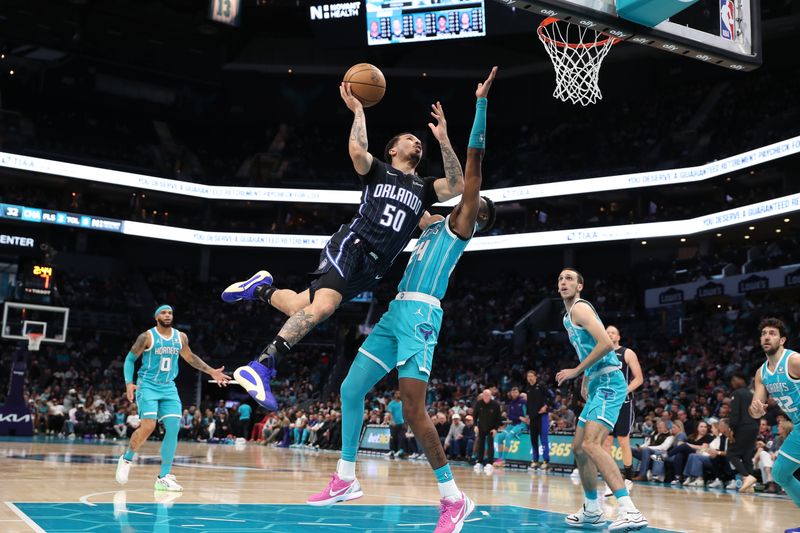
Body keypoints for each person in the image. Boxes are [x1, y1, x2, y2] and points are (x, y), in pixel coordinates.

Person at [306, 68, 497, 533]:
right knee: (351, 389)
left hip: (421, 316)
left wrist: (476, 109)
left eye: (478, 204)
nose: (472, 203)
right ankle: (345, 478)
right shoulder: (432, 223)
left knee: (412, 408)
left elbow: (469, 170)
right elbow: (399, 200)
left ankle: (453, 497)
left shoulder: (458, 226)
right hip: (395, 311)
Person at [223, 72, 468, 412]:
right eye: (410, 138)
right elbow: (357, 149)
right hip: (351, 245)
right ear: (393, 149)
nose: (417, 142)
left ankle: (260, 288)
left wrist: (442, 139)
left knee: (298, 306)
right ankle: (261, 365)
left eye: (419, 141)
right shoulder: (380, 171)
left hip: (372, 270)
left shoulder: (424, 189)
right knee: (324, 308)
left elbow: (457, 186)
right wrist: (359, 110)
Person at [555, 269, 647, 531]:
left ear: (580, 286)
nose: (564, 282)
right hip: (598, 383)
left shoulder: (580, 309)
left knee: (593, 445)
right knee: (579, 448)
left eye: (570, 279)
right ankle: (592, 509)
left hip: (610, 384)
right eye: (561, 279)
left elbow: (606, 343)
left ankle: (630, 510)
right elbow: (589, 348)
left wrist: (576, 371)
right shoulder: (567, 317)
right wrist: (587, 379)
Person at [115, 305, 230, 491]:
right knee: (149, 426)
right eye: (163, 312)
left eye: (170, 312)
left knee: (173, 426)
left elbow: (190, 357)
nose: (168, 315)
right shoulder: (147, 337)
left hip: (168, 387)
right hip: (148, 385)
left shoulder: (180, 337)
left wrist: (211, 371)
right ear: (156, 317)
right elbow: (129, 360)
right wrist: (129, 383)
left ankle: (163, 477)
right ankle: (126, 459)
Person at [748, 317, 800, 507]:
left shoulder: (794, 360)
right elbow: (755, 411)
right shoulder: (762, 373)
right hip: (798, 426)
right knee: (779, 473)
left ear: (782, 340)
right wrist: (755, 410)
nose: (766, 337)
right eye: (763, 334)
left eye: (772, 333)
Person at [602, 325, 643, 491]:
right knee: (606, 442)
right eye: (607, 332)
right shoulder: (600, 354)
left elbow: (639, 379)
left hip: (623, 403)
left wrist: (623, 392)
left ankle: (628, 477)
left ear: (618, 337)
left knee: (623, 441)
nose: (610, 334)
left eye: (612, 332)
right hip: (606, 403)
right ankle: (612, 477)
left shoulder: (627, 352)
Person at [728, 371, 759, 492]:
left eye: (735, 380)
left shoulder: (736, 393)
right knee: (747, 456)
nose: (733, 383)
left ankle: (747, 477)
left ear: (742, 380)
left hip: (743, 427)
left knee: (731, 453)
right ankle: (749, 486)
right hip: (753, 427)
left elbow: (735, 414)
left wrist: (732, 429)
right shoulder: (753, 394)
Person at [524, 369, 550, 470]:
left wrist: (546, 407)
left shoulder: (542, 385)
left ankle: (546, 461)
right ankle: (535, 460)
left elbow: (551, 397)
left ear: (535, 377)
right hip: (532, 417)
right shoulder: (528, 388)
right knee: (533, 439)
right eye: (528, 376)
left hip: (542, 416)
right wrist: (527, 415)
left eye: (531, 376)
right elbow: (529, 403)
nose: (530, 378)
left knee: (543, 438)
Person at [493, 386, 526, 468]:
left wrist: (522, 419)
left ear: (518, 393)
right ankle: (500, 458)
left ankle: (503, 460)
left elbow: (525, 417)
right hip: (513, 424)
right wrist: (518, 417)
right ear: (511, 393)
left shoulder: (523, 402)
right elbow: (510, 416)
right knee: (500, 437)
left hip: (522, 424)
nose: (514, 393)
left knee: (508, 436)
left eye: (516, 392)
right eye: (513, 392)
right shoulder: (511, 403)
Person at [473, 388, 502, 473]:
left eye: (488, 395)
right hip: (481, 427)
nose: (486, 397)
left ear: (491, 396)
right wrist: (475, 426)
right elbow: (475, 416)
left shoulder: (495, 405)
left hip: (491, 428)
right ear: (482, 395)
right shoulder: (479, 404)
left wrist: (495, 429)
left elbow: (498, 419)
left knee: (490, 444)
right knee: (480, 444)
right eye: (484, 395)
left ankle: (490, 462)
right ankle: (479, 462)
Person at [386, 391, 406, 458]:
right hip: (393, 424)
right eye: (397, 393)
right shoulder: (391, 403)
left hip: (402, 423)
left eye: (399, 393)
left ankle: (401, 451)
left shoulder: (403, 403)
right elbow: (390, 413)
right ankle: (392, 451)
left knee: (402, 438)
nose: (398, 394)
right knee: (393, 438)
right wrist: (392, 421)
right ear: (394, 395)